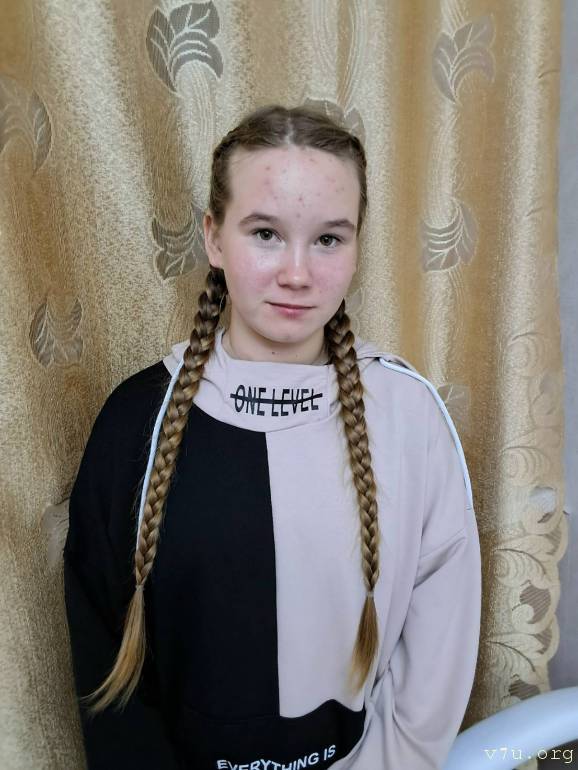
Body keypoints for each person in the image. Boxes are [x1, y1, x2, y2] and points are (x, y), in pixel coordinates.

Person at [63, 103, 481, 770]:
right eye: (265, 233)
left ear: (357, 246)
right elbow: (106, 669)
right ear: (213, 238)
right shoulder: (133, 424)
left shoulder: (411, 417)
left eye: (329, 239)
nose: (297, 273)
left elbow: (432, 674)